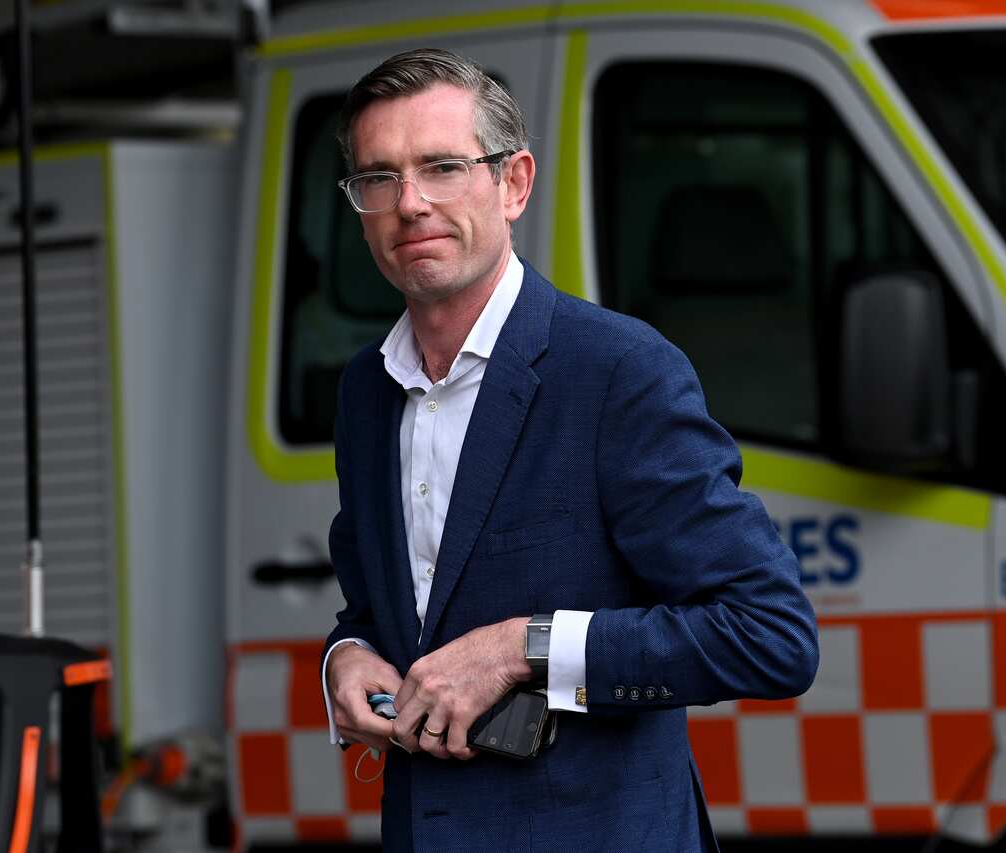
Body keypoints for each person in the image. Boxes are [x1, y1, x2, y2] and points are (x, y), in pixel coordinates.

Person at [319, 48, 818, 853]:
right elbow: (380, 611)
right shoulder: (366, 393)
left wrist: (524, 646)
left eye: (442, 167)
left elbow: (769, 634)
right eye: (379, 178)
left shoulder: (617, 371)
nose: (410, 203)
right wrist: (344, 659)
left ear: (513, 183)